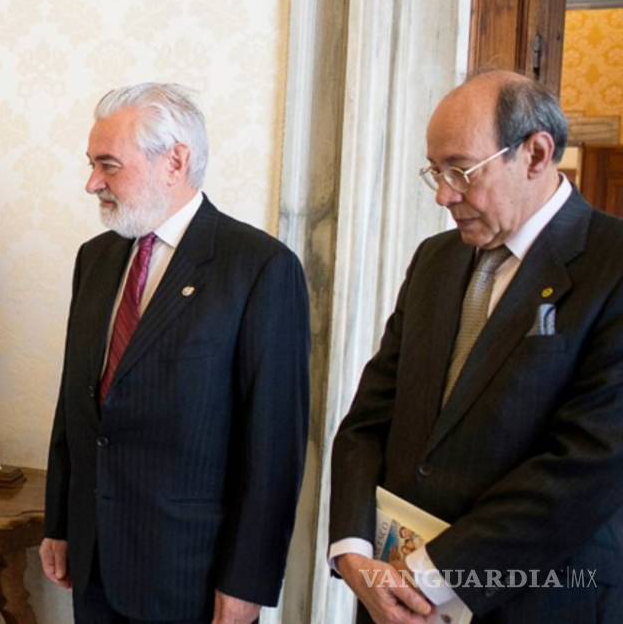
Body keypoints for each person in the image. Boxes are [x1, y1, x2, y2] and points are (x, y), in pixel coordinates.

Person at [329, 70, 623, 623]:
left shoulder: (612, 264)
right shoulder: (434, 259)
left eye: (461, 171)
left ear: (536, 154)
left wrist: (430, 576)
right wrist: (353, 549)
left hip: (536, 601)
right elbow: (369, 419)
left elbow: (590, 463)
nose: (444, 194)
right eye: (436, 172)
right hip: (390, 600)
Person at [41, 82, 311, 623]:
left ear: (175, 161)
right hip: (95, 564)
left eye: (109, 165)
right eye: (92, 165)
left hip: (191, 575)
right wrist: (60, 522)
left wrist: (247, 582)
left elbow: (274, 446)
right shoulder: (94, 259)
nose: (92, 183)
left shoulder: (259, 267)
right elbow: (75, 405)